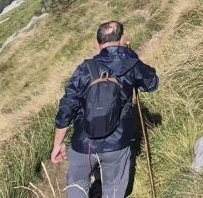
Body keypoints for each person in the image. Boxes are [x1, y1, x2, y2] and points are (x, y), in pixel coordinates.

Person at [51, 20, 159, 198]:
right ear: (122, 39)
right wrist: (133, 60)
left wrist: (58, 143)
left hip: (83, 144)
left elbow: (67, 106)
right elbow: (152, 84)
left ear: (97, 44)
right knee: (113, 190)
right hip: (116, 144)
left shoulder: (85, 68)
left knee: (77, 187)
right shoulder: (131, 63)